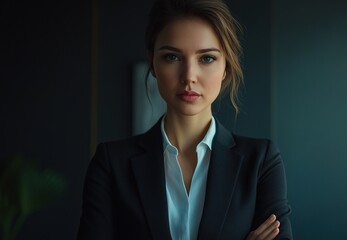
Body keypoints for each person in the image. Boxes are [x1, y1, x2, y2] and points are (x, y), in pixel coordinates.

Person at [77, 0, 292, 239]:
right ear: (153, 64)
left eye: (207, 58)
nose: (189, 76)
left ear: (226, 67)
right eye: (172, 57)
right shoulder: (111, 165)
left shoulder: (261, 161)